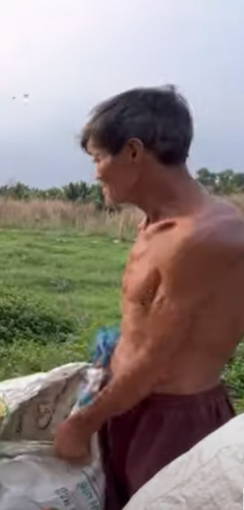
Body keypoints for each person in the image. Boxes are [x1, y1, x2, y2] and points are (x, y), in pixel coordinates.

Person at [54, 85, 244, 509]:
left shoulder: (207, 235)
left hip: (172, 425)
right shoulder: (155, 224)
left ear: (134, 152)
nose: (96, 173)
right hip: (125, 407)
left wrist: (82, 424)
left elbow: (157, 363)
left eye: (99, 158)